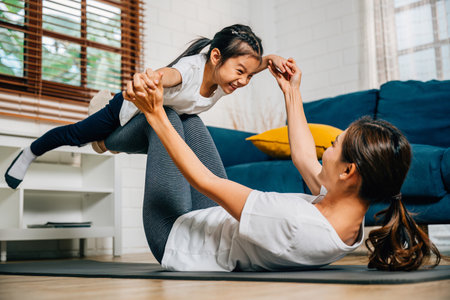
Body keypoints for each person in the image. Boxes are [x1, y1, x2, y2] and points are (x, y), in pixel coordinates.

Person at [100, 59, 440, 272]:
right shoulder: (346, 214)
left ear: (348, 172)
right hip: (210, 222)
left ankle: (102, 138)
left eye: (335, 145)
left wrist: (154, 112)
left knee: (171, 117)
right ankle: (121, 125)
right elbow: (305, 157)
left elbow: (205, 181)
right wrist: (291, 91)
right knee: (187, 115)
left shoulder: (293, 222)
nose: (328, 147)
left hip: (178, 238)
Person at [4, 24, 290, 189]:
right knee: (76, 135)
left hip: (156, 124)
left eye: (250, 76)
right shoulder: (190, 70)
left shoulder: (225, 78)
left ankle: (107, 143)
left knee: (182, 133)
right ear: (216, 56)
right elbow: (169, 74)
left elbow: (249, 64)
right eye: (241, 72)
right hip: (124, 111)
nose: (244, 81)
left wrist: (270, 60)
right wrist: (150, 78)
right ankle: (31, 151)